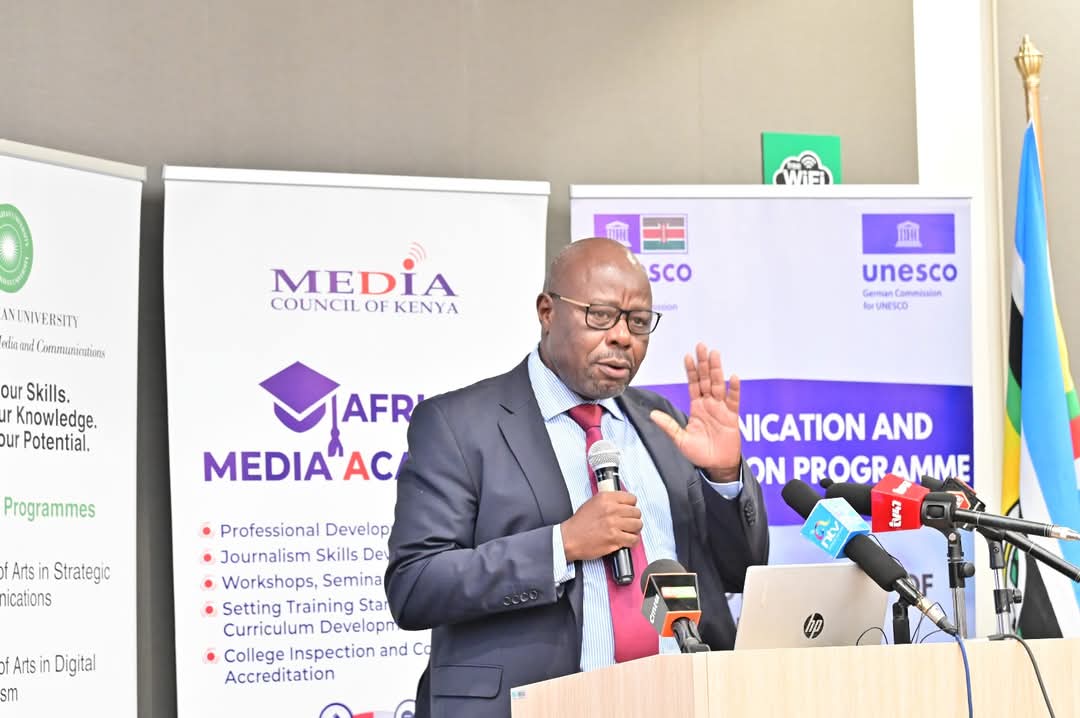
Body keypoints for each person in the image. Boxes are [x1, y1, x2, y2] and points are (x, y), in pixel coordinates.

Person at [385, 237, 769, 718]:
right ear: (547, 311)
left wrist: (722, 475)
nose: (622, 337)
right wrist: (561, 544)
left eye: (638, 321)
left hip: (681, 699)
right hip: (534, 705)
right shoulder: (459, 425)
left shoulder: (661, 421)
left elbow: (740, 571)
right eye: (601, 315)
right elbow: (415, 585)